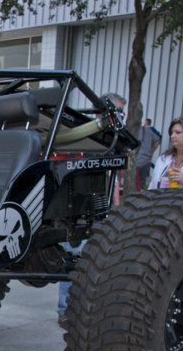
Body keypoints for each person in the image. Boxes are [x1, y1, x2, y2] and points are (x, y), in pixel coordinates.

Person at [59, 93, 126, 323]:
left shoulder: (109, 140)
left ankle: (81, 310)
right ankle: (66, 309)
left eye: (122, 113)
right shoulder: (81, 134)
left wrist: (116, 207)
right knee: (74, 256)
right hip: (75, 207)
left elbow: (112, 180)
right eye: (117, 112)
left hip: (95, 206)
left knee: (91, 259)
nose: (121, 118)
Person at [135, 118, 162, 189]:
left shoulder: (134, 130)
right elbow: (158, 139)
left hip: (137, 160)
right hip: (146, 159)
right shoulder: (148, 130)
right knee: (141, 183)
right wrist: (151, 152)